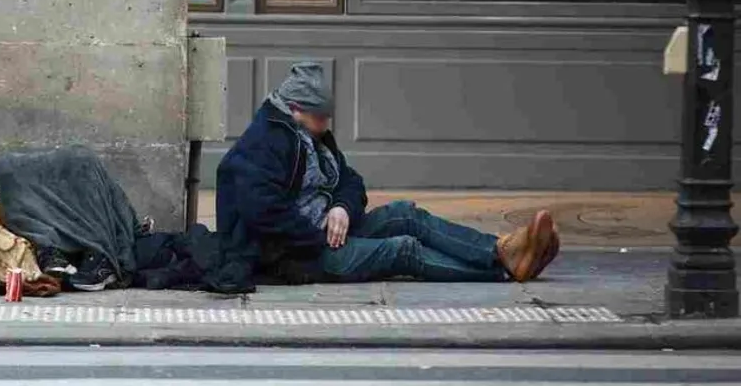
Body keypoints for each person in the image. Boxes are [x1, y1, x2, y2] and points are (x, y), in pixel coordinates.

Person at [215, 62, 559, 285]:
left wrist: (342, 209)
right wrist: (318, 237)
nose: (327, 124)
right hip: (297, 255)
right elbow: (263, 213)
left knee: (406, 215)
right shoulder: (263, 144)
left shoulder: (312, 135)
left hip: (329, 230)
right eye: (321, 117)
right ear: (295, 109)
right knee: (402, 249)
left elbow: (350, 181)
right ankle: (502, 268)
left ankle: (502, 249)